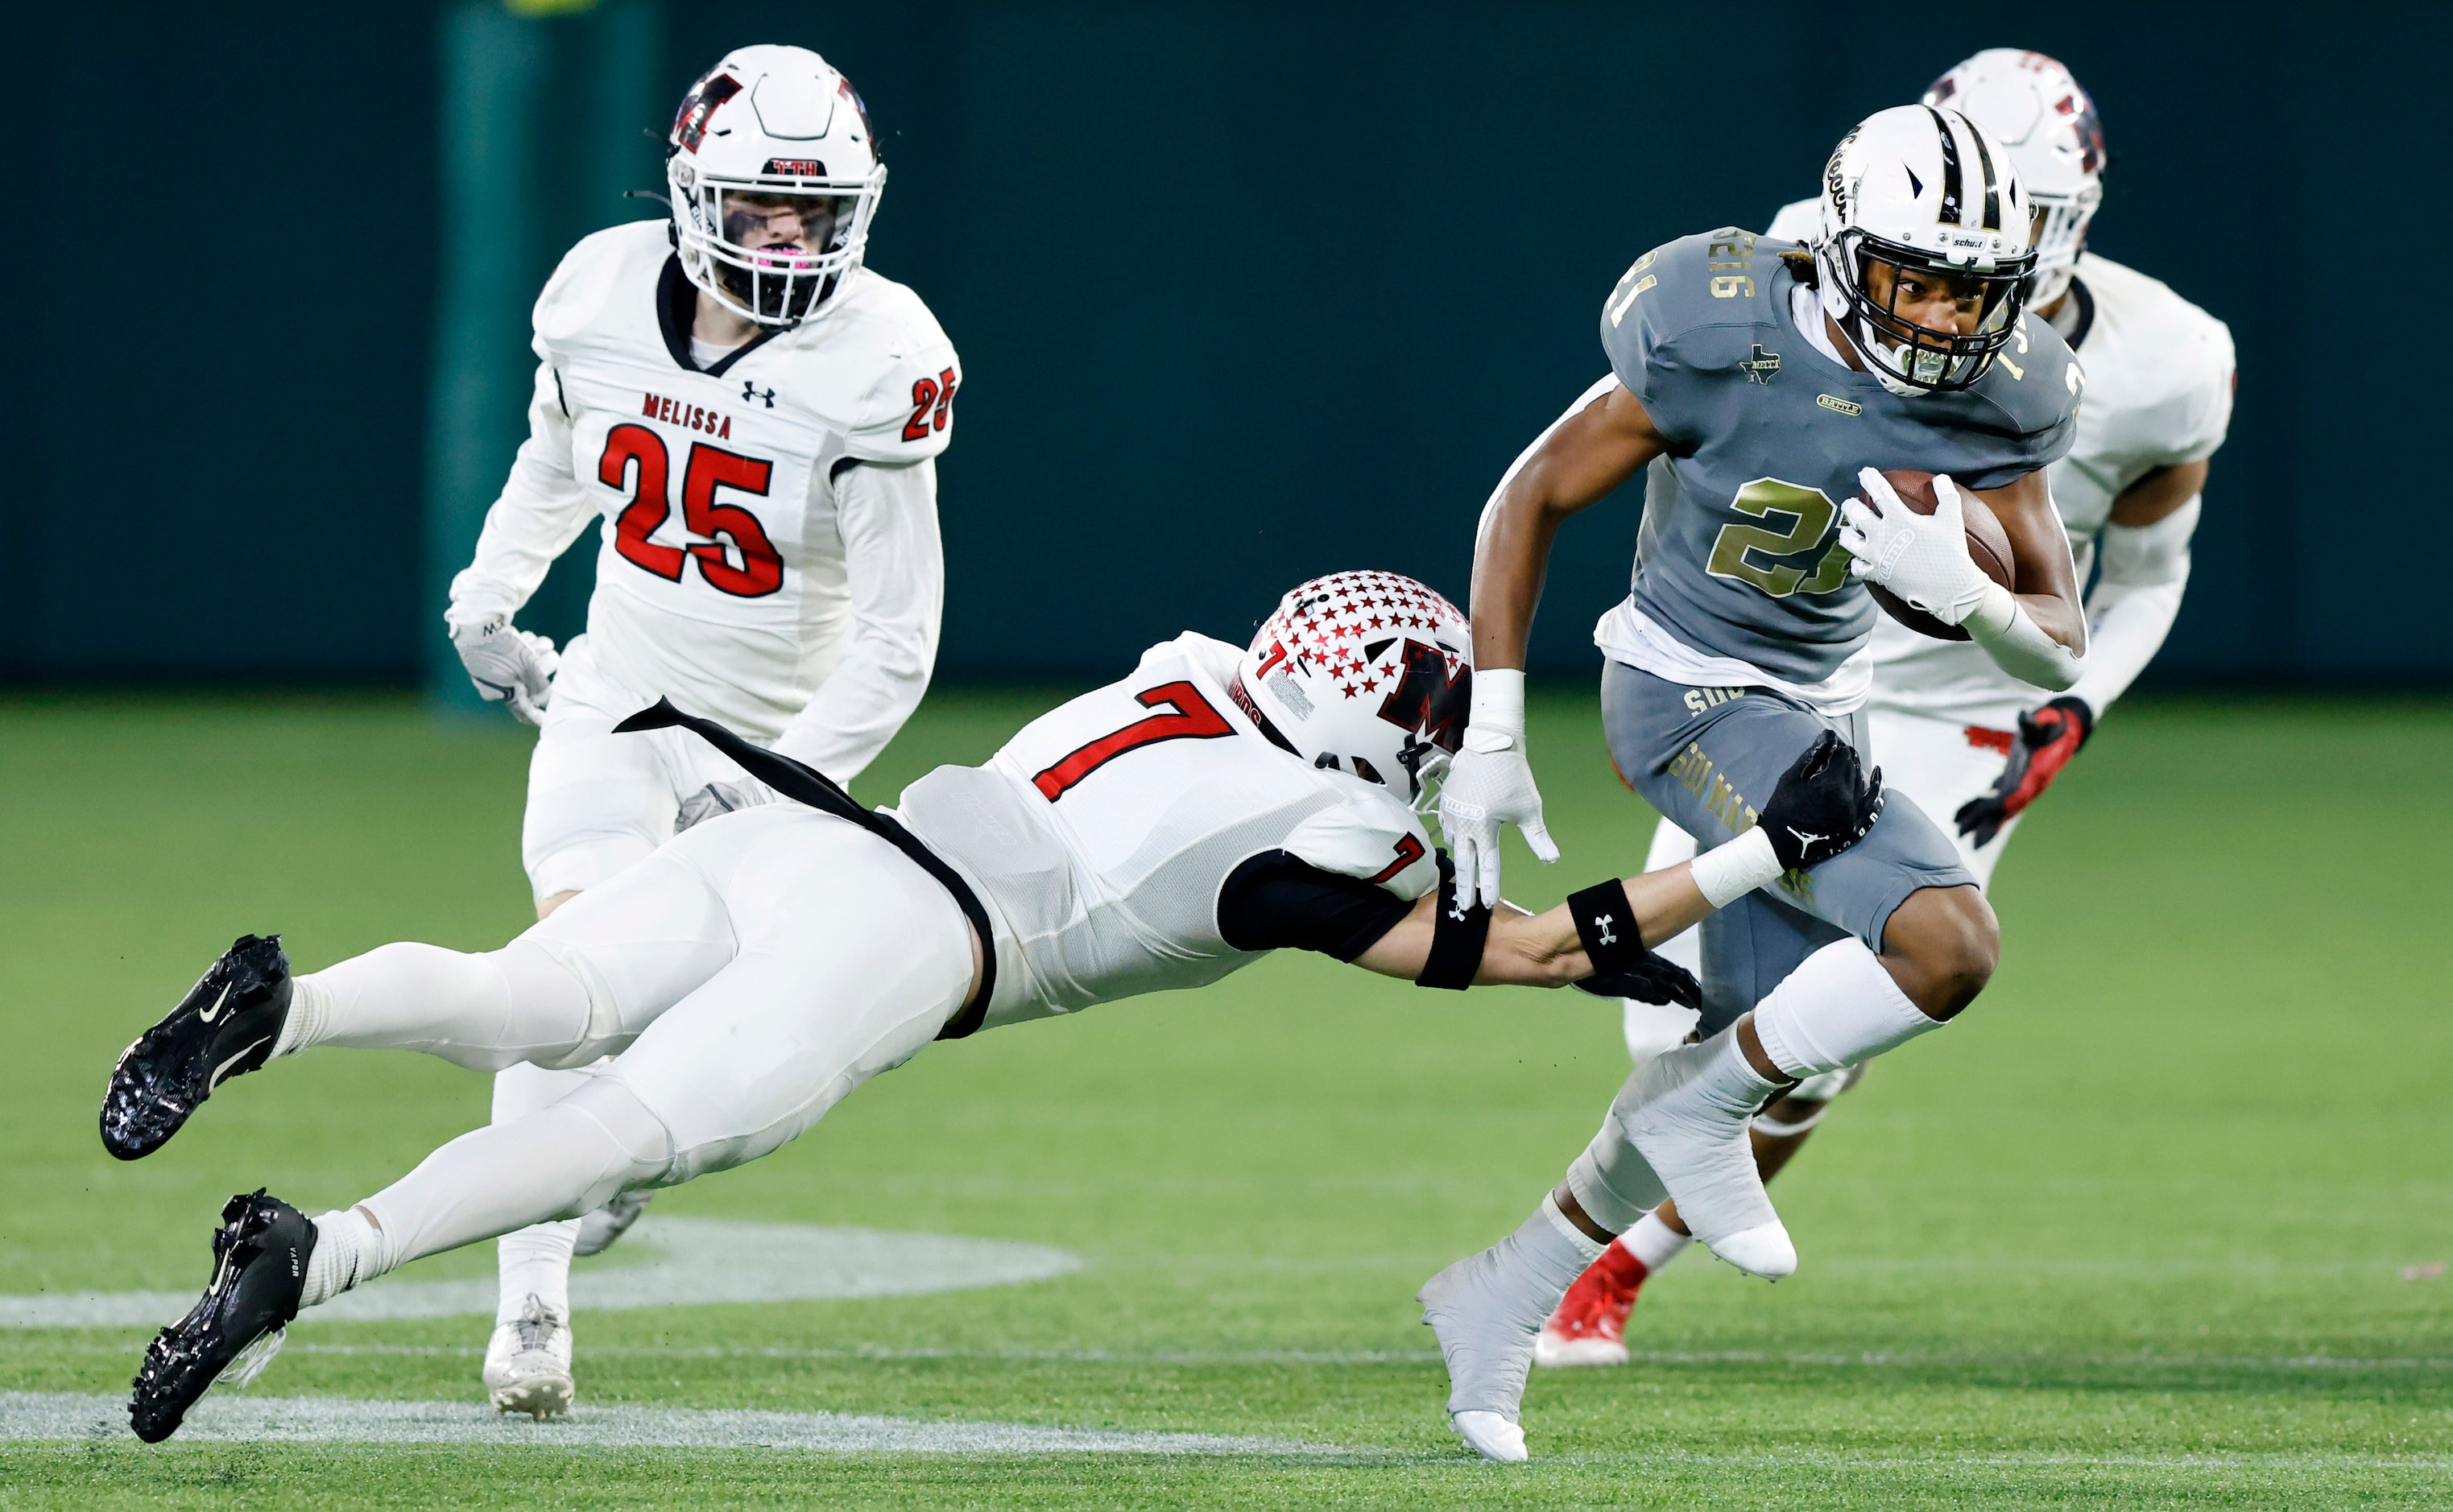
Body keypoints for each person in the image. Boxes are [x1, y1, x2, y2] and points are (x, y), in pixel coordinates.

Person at [98, 570, 1882, 1449]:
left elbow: (1494, 917)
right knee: (614, 1132)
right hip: (902, 939)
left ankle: (285, 1008)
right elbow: (1519, 952)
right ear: (1364, 726)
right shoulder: (1296, 830)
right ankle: (311, 1256)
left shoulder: (1187, 675)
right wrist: (1740, 865)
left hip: (809, 848)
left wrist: (1586, 905)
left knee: (531, 992)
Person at [1538, 51, 2235, 1368]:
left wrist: (2067, 708)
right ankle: (1606, 1209)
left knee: (1851, 1005)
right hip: (1793, 665)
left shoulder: (2167, 362)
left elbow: (2143, 576)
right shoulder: (1817, 265)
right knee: (1679, 1013)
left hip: (1979, 697)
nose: (1968, 270)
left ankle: (1617, 1266)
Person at [1420, 102, 2089, 1457]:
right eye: (1920, 279)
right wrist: (1491, 725)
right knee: (1945, 944)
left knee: (1734, 1047)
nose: (1950, 320)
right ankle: (1709, 1109)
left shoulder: (2002, 389)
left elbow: (2056, 638)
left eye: (1976, 291)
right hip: (1682, 687)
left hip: (1816, 707)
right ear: (1841, 255)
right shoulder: (1716, 325)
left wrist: (1973, 599)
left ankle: (1510, 1287)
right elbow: (1531, 494)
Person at [438, 43, 960, 1415]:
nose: (788, 240)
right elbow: (560, 458)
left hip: (777, 731)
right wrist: (491, 593)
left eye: (816, 213)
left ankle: (587, 1171)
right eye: (757, 209)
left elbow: (902, 634)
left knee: (692, 1032)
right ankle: (532, 1304)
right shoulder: (601, 291)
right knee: (560, 989)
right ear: (689, 195)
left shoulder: (881, 357)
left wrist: (798, 784)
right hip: (618, 693)